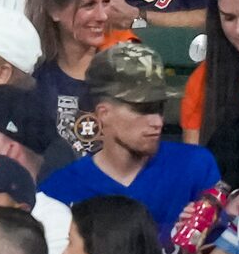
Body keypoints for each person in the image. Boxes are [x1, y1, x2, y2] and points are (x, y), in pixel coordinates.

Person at [42, 44, 221, 226]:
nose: (157, 122)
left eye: (159, 108)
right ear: (104, 113)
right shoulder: (61, 191)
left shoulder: (194, 166)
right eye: (143, 110)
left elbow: (219, 251)